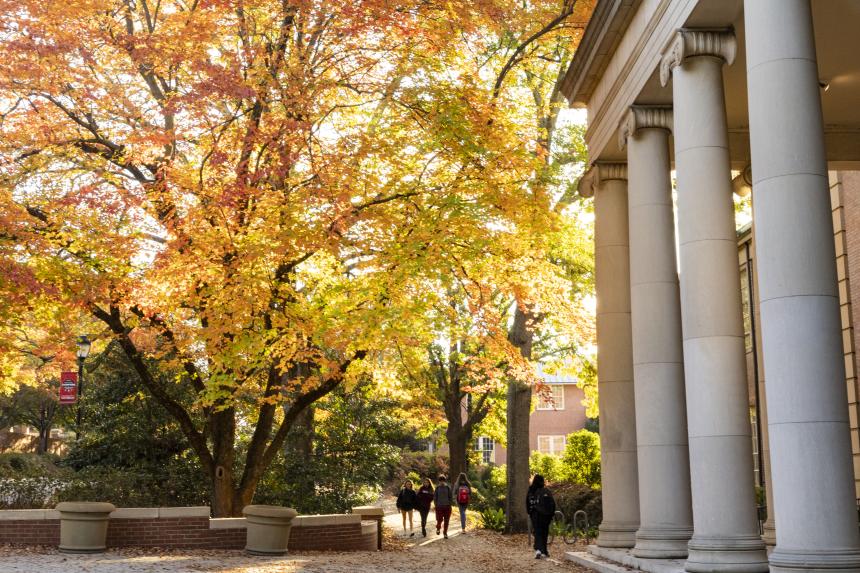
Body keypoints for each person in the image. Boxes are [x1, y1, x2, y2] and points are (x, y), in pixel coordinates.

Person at [527, 474, 556, 559]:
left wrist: (530, 513)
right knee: (545, 532)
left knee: (538, 532)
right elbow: (552, 504)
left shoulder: (532, 489)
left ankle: (538, 550)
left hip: (536, 514)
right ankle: (544, 551)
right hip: (546, 516)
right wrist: (551, 514)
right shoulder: (546, 490)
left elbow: (528, 503)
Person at [433, 474, 454, 538]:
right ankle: (438, 528)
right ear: (439, 481)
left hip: (447, 507)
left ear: (445, 481)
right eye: (440, 481)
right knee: (439, 520)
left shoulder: (448, 488)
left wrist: (449, 504)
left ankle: (445, 533)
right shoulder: (437, 488)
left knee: (446, 520)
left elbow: (450, 496)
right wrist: (436, 504)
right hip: (439, 507)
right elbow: (435, 497)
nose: (442, 482)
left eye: (443, 480)